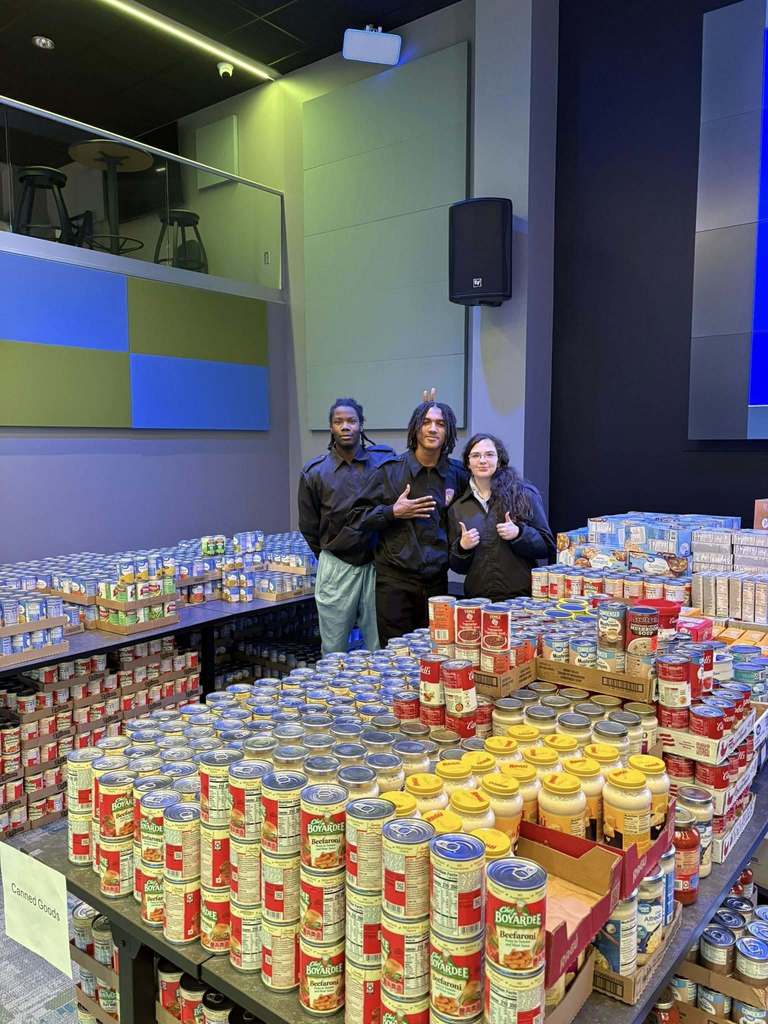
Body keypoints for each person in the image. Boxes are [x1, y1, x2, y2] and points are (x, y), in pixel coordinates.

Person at [347, 401, 469, 644]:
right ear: (415, 429)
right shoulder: (389, 471)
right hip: (395, 583)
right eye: (426, 422)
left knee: (437, 653)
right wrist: (393, 511)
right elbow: (355, 517)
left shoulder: (458, 474)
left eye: (440, 424)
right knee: (397, 656)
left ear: (449, 432)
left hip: (437, 584)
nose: (433, 429)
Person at [298, 397, 394, 654]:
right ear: (331, 427)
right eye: (338, 421)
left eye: (351, 421)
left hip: (376, 563)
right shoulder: (315, 472)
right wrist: (332, 552)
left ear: (361, 425)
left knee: (380, 644)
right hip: (336, 565)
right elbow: (309, 526)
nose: (345, 426)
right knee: (333, 647)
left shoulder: (383, 462)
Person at [447, 433, 555, 601]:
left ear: (500, 460)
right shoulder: (458, 508)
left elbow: (547, 547)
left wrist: (519, 533)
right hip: (477, 601)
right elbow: (457, 567)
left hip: (521, 599)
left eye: (489, 454)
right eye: (476, 455)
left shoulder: (523, 494)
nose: (482, 460)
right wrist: (462, 548)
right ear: (468, 463)